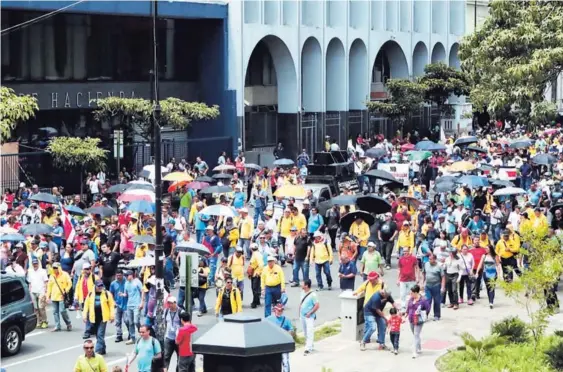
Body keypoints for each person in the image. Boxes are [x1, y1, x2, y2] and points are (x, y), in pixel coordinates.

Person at [82, 280, 115, 355]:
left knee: (100, 334)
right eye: (99, 286)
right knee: (98, 334)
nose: (100, 287)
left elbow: (111, 305)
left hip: (103, 318)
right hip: (93, 317)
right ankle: (102, 348)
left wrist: (112, 316)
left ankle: (97, 351)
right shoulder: (90, 293)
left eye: (101, 285)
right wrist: (84, 316)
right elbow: (86, 305)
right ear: (95, 286)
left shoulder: (107, 293)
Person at [267, 302, 295, 370]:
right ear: (274, 310)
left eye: (281, 310)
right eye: (278, 310)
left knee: (285, 361)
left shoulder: (286, 320)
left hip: (284, 344)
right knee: (272, 362)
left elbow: (292, 331)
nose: (279, 312)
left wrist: (285, 333)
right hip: (273, 344)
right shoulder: (268, 319)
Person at [406, 284, 430, 359]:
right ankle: (419, 348)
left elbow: (427, 308)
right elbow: (408, 307)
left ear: (416, 292)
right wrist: (406, 314)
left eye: (412, 293)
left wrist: (424, 315)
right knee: (415, 334)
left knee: (416, 334)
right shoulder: (411, 299)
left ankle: (415, 351)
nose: (410, 294)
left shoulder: (423, 300)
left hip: (418, 320)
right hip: (411, 319)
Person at [47, 262, 73, 332]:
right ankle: (57, 326)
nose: (55, 269)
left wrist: (66, 291)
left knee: (62, 311)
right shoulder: (52, 276)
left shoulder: (65, 274)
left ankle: (68, 323)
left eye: (56, 268)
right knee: (55, 312)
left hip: (61, 295)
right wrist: (47, 296)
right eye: (53, 268)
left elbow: (69, 283)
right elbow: (49, 286)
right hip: (54, 296)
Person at [27, 257, 49, 329]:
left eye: (36, 263)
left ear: (38, 263)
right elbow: (30, 283)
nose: (35, 265)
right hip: (33, 291)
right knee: (35, 308)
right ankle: (38, 321)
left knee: (41, 307)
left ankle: (44, 321)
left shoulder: (43, 271)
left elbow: (46, 282)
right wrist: (29, 291)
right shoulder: (30, 271)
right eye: (34, 264)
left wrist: (46, 292)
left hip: (41, 291)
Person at [299, 279, 319, 356]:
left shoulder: (313, 295)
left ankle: (308, 348)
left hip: (309, 316)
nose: (301, 285)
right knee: (305, 331)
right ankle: (310, 345)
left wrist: (310, 313)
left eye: (302, 284)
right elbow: (301, 303)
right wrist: (299, 313)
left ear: (306, 285)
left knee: (309, 331)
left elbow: (317, 305)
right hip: (302, 315)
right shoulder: (302, 293)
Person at [422, 254, 445, 321]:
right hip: (428, 286)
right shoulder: (426, 264)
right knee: (427, 301)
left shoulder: (439, 266)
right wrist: (422, 283)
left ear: (435, 259)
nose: (429, 260)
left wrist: (442, 287)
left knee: (437, 301)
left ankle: (437, 315)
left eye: (431, 259)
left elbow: (443, 277)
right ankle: (425, 315)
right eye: (429, 259)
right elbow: (423, 273)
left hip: (436, 286)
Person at [123, 270, 143, 344]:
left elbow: (142, 291)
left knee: (136, 321)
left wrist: (142, 302)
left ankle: (142, 333)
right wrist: (122, 294)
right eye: (126, 275)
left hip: (136, 304)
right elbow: (126, 294)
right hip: (129, 304)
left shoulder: (137, 281)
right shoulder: (126, 283)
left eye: (127, 275)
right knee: (130, 322)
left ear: (131, 275)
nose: (126, 277)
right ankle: (132, 338)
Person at [163, 296, 182, 372]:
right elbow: (165, 322)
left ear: (175, 303)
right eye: (168, 303)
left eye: (171, 303)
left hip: (178, 339)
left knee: (179, 357)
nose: (169, 305)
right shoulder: (166, 311)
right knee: (166, 357)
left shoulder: (181, 312)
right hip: (168, 338)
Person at [109, 270, 128, 342]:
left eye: (120, 275)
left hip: (126, 304)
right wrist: (113, 301)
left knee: (127, 320)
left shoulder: (126, 282)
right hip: (117, 304)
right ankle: (119, 335)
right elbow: (111, 293)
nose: (118, 277)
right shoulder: (113, 283)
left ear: (123, 275)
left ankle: (130, 333)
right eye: (117, 275)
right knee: (117, 321)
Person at [248, 243, 264, 308]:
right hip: (255, 272)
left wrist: (259, 272)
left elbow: (261, 265)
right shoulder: (256, 254)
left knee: (255, 288)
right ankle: (257, 301)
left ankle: (254, 302)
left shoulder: (256, 255)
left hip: (256, 273)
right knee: (255, 288)